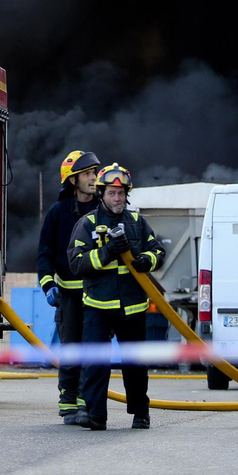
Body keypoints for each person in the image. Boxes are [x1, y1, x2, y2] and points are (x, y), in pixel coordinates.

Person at [68, 163, 165, 431]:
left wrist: (148, 259)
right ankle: (96, 415)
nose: (117, 198)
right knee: (96, 363)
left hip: (133, 305)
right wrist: (108, 251)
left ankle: (140, 413)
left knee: (135, 364)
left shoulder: (137, 222)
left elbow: (158, 251)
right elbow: (76, 263)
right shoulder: (87, 224)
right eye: (112, 193)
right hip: (98, 305)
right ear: (102, 194)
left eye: (121, 193)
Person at [36, 149, 102, 424]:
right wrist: (48, 284)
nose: (93, 178)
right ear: (73, 181)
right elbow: (45, 253)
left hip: (98, 293)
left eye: (95, 173)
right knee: (71, 347)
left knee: (92, 348)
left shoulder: (104, 210)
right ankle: (69, 405)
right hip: (68, 294)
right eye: (87, 174)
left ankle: (88, 403)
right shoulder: (58, 212)